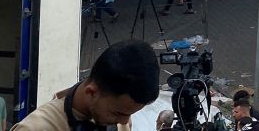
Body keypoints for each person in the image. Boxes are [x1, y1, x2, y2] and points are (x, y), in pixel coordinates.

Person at [11, 39, 159, 131]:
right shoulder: (35, 128)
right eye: (118, 113)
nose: (124, 122)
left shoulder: (120, 113)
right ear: (91, 92)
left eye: (130, 115)